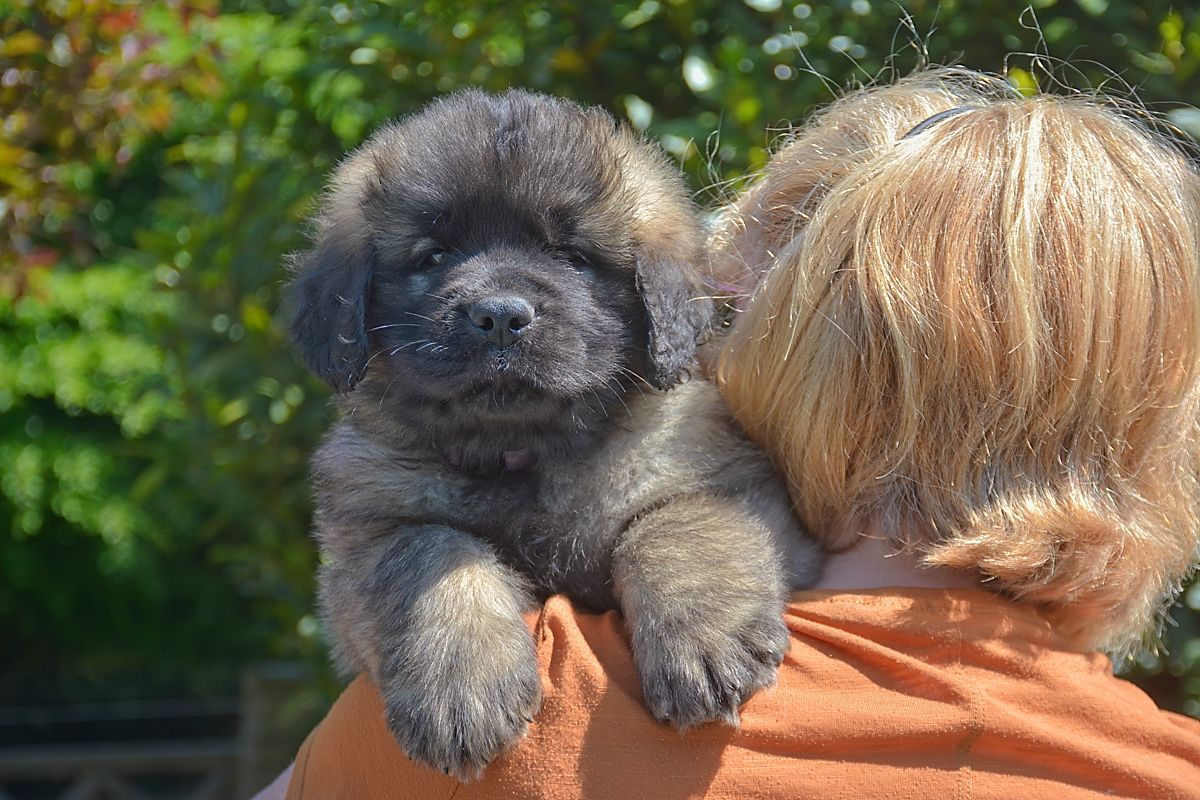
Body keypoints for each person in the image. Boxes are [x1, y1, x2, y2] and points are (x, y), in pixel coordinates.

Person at [268, 67, 1200, 799]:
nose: (499, 303)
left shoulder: (533, 721)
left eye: (736, 293)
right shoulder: (1167, 769)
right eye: (433, 259)